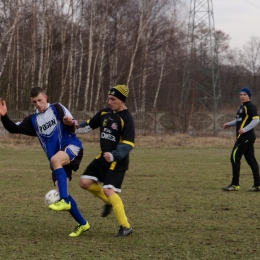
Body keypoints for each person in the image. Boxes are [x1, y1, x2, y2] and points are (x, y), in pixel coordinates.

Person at [0, 87, 90, 237]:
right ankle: (83, 224)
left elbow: (73, 124)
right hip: (56, 160)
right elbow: (12, 128)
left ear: (46, 97)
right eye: (34, 102)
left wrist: (70, 122)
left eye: (40, 100)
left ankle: (64, 201)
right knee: (62, 190)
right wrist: (4, 116)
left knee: (56, 162)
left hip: (71, 147)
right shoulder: (32, 120)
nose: (38, 104)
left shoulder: (57, 108)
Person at [76, 84, 135, 237]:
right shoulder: (104, 113)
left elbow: (129, 144)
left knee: (108, 190)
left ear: (121, 100)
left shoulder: (127, 118)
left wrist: (114, 155)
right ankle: (109, 202)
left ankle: (125, 226)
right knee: (84, 182)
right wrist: (72, 126)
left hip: (117, 161)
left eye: (113, 99)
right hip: (102, 157)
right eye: (108, 98)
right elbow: (88, 126)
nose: (109, 102)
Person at [222, 87, 260, 192]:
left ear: (249, 96)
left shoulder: (250, 106)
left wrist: (245, 129)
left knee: (234, 157)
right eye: (241, 94)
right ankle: (258, 185)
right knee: (251, 160)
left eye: (244, 94)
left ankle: (234, 184)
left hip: (245, 137)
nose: (242, 96)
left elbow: (256, 120)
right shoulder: (241, 107)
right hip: (245, 137)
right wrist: (229, 124)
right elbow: (238, 120)